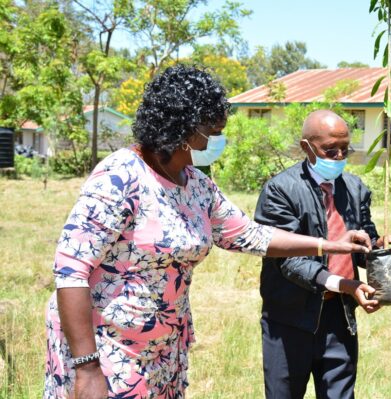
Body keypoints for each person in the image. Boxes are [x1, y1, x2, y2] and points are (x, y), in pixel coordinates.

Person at [43, 66, 373, 399]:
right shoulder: (120, 177)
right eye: (212, 131)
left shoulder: (197, 184)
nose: (217, 140)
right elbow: (71, 271)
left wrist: (330, 244)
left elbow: (252, 235)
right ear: (182, 128)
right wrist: (86, 367)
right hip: (107, 347)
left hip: (163, 348)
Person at [254, 110, 382, 399]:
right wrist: (346, 284)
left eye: (345, 149)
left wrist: (384, 249)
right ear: (306, 147)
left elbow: (364, 247)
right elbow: (289, 261)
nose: (339, 156)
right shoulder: (280, 190)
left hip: (339, 317)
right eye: (330, 150)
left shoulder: (354, 188)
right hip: (290, 319)